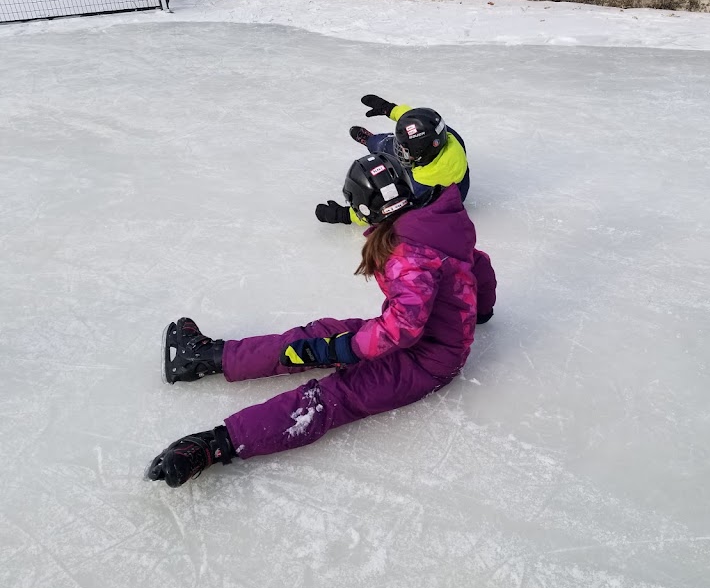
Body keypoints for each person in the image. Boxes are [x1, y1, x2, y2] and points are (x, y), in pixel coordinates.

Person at [148, 153, 496, 489]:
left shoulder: (407, 255)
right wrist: (481, 312)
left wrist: (343, 348)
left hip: (429, 360)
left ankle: (218, 443)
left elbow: (403, 328)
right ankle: (209, 357)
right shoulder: (438, 224)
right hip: (421, 336)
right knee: (318, 335)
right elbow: (480, 266)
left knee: (333, 395)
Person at [315, 95, 470, 226]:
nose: (400, 150)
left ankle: (376, 143)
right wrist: (389, 109)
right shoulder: (446, 135)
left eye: (405, 149)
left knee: (389, 164)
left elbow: (383, 209)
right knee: (389, 144)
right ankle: (371, 141)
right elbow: (419, 119)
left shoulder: (418, 190)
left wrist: (346, 215)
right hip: (428, 166)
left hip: (435, 194)